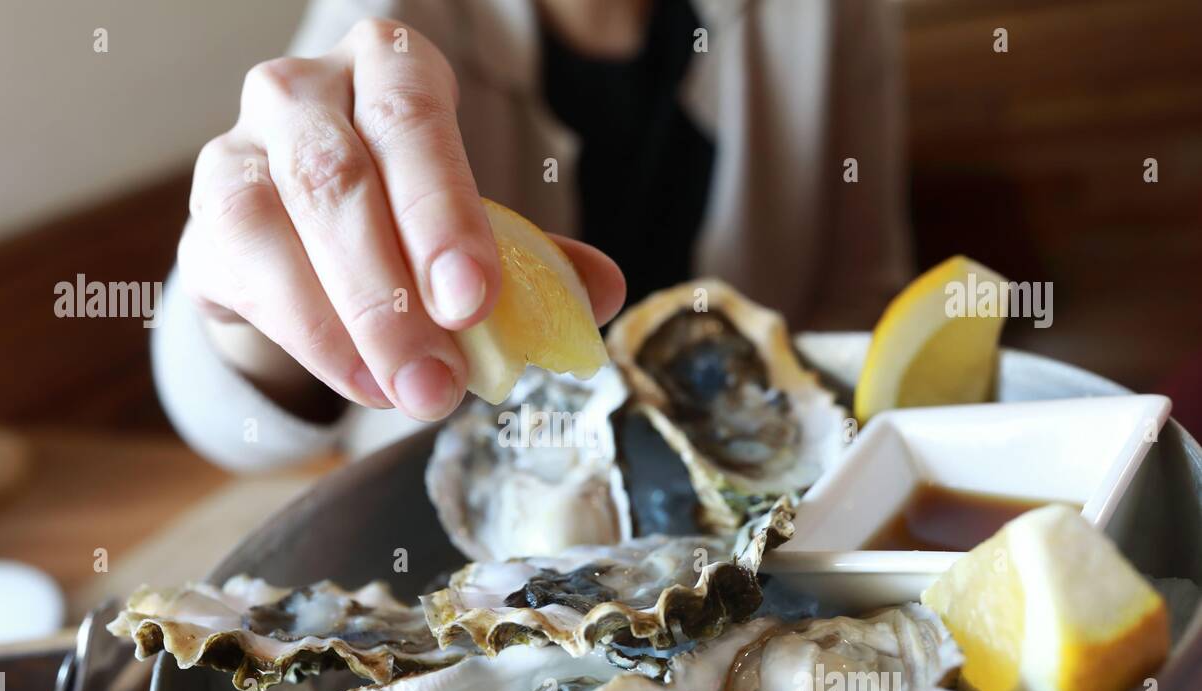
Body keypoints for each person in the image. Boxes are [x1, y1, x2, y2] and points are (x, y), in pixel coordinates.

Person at [155, 0, 909, 471]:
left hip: (763, 520)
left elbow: (861, 295)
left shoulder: (832, 13)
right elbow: (226, 422)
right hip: (448, 567)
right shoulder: (390, 15)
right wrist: (247, 316)